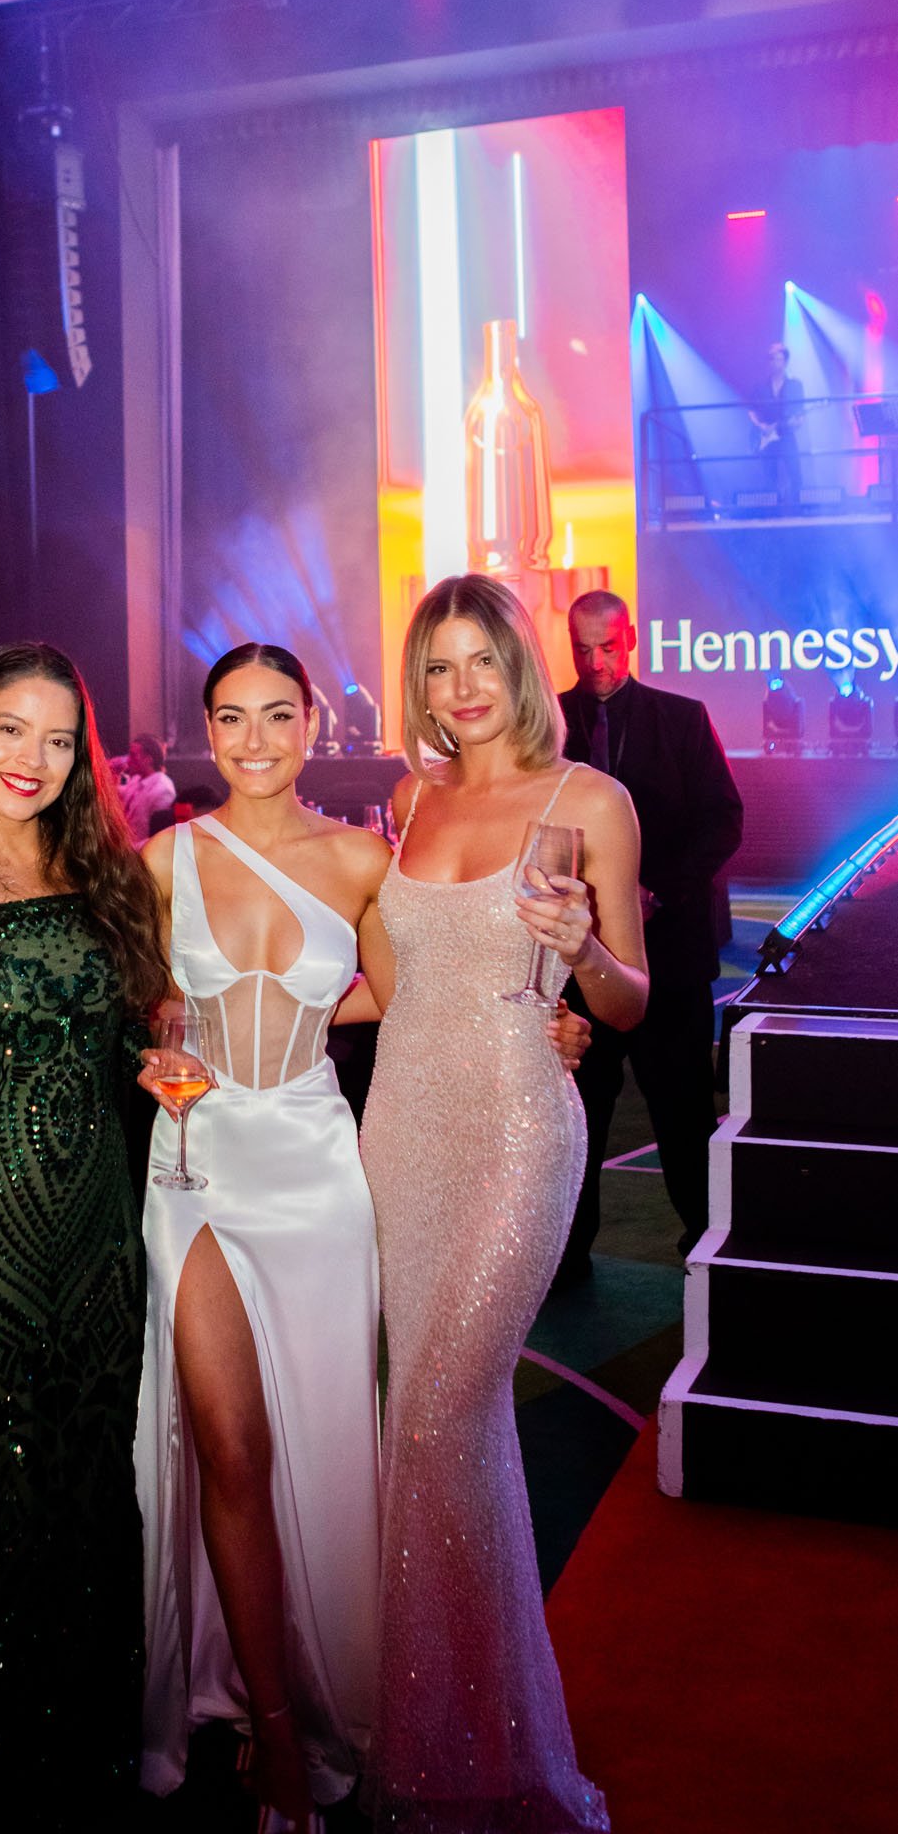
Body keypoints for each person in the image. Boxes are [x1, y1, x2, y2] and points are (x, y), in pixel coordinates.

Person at [361, 573, 647, 1832]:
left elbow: (630, 997)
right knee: (436, 1434)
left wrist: (582, 946)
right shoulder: (409, 801)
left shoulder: (592, 801)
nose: (459, 688)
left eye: (480, 660)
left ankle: (503, 1753)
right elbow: (379, 985)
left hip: (521, 1128)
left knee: (436, 1415)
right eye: (436, 667)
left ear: (521, 668)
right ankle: (443, 1734)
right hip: (399, 1134)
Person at [0, 641, 168, 1828]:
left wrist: (162, 1060)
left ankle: (94, 1753)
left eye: (61, 740)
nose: (35, 759)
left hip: (99, 1227)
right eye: (12, 729)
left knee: (95, 1487)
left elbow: (137, 1031)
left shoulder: (104, 869)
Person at [135, 644, 392, 1827]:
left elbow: (402, 998)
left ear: (311, 723)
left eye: (275, 716)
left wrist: (556, 1036)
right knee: (229, 1446)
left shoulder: (359, 860)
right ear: (205, 728)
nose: (252, 740)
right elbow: (139, 1015)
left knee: (322, 1443)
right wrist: (157, 1053)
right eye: (229, 718)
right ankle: (268, 1726)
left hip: (315, 1169)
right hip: (193, 1162)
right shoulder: (160, 861)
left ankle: (320, 1680)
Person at [556, 589, 743, 1279]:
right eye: (582, 648)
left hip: (669, 957)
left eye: (606, 646)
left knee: (683, 1111)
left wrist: (654, 889)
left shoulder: (681, 718)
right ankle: (566, 1255)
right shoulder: (545, 720)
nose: (596, 661)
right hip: (574, 962)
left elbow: (723, 820)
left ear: (629, 639)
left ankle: (706, 1249)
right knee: (575, 1118)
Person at [747, 341, 804, 505]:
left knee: (795, 474)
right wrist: (762, 427)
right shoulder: (760, 387)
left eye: (777, 358)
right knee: (770, 478)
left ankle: (799, 511)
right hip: (766, 436)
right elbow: (752, 411)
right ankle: (772, 511)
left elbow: (799, 413)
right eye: (771, 358)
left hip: (786, 435)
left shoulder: (795, 385)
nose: (773, 362)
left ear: (785, 361)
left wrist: (797, 422)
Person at [117, 731, 177, 847]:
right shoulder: (136, 780)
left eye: (133, 755)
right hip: (124, 851)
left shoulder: (162, 789)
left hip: (140, 855)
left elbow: (159, 839)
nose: (128, 761)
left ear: (148, 759)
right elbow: (117, 792)